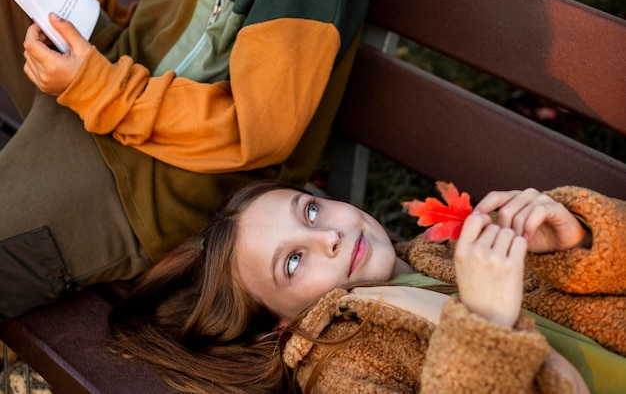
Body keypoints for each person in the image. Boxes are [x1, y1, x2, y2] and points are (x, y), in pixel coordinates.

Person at [0, 0, 368, 319]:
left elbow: (251, 132)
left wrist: (96, 87)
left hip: (146, 181)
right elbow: (162, 42)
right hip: (98, 89)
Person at [108, 180, 626, 394]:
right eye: (292, 261)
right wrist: (485, 322)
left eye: (309, 210)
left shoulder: (438, 255)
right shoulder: (341, 367)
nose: (329, 236)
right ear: (281, 322)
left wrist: (579, 242)